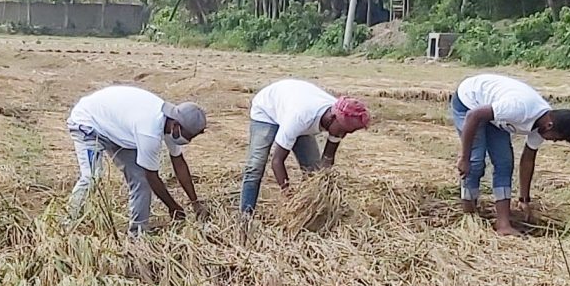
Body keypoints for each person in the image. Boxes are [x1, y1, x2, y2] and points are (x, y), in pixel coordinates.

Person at [449, 72, 570, 235]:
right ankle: (469, 216)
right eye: (557, 138)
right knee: (476, 161)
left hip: (494, 113)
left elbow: (528, 161)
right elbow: (474, 115)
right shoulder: (519, 108)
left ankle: (503, 225)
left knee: (505, 163)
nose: (554, 141)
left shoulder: (542, 125)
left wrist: (524, 199)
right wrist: (464, 158)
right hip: (469, 102)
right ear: (550, 125)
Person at [66, 84, 208, 233]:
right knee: (92, 177)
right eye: (189, 136)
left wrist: (195, 202)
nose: (188, 141)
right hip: (89, 123)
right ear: (176, 126)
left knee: (140, 179)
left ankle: (138, 233)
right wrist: (173, 207)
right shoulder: (149, 131)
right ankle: (68, 223)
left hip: (119, 129)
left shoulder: (172, 121)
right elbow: (152, 177)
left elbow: (179, 163)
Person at [239, 78, 371, 213]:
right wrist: (289, 195)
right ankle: (245, 218)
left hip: (294, 107)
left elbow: (327, 159)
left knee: (313, 172)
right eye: (343, 130)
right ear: (332, 118)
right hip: (267, 110)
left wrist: (323, 187)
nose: (343, 135)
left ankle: (313, 214)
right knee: (255, 167)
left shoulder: (339, 117)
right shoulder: (300, 118)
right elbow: (277, 161)